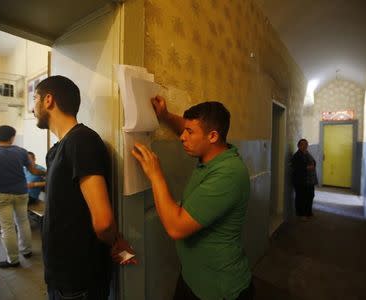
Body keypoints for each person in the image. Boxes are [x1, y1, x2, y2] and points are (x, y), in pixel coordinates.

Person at [132, 96, 254, 300]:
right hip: (194, 278)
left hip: (218, 288)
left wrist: (156, 175)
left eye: (189, 132)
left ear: (213, 136)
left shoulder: (229, 173)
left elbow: (176, 227)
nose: (182, 137)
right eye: (185, 130)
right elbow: (193, 129)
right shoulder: (213, 152)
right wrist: (165, 116)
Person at [33, 75, 136, 300]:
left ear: (48, 100)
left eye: (35, 99)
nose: (33, 108)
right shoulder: (59, 148)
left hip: (78, 280)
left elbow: (104, 221)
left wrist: (116, 242)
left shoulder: (82, 141)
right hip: (60, 276)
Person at [0, 125, 46, 268]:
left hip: (1, 195)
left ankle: (13, 260)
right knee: (23, 222)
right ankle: (27, 251)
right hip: (21, 193)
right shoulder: (21, 152)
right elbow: (33, 170)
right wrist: (48, 171)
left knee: (7, 227)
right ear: (12, 137)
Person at [291, 138, 318, 220]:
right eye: (302, 144)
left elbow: (313, 162)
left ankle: (308, 212)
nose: (304, 146)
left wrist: (312, 166)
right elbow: (296, 167)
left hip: (310, 180)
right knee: (301, 197)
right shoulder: (296, 156)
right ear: (298, 146)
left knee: (310, 196)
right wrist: (307, 168)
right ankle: (300, 214)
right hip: (301, 180)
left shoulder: (307, 153)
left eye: (306, 144)